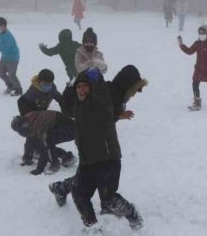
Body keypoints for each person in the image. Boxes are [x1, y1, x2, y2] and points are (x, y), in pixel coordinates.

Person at [48, 67, 146, 231]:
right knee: (79, 195)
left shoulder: (101, 100)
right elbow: (66, 107)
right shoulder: (78, 107)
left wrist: (97, 79)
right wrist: (70, 86)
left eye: (85, 86)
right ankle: (93, 227)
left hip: (107, 159)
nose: (82, 89)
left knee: (108, 199)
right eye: (79, 87)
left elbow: (102, 100)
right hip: (87, 161)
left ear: (93, 88)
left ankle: (132, 214)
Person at [17, 69, 74, 167]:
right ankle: (28, 157)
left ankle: (65, 156)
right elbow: (21, 101)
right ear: (39, 82)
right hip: (33, 118)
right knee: (32, 137)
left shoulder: (52, 89)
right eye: (45, 84)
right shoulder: (33, 91)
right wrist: (28, 115)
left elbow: (60, 99)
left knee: (43, 141)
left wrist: (66, 110)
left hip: (44, 119)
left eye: (49, 84)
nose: (47, 86)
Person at [11, 110, 76, 175]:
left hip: (71, 129)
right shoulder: (30, 121)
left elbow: (45, 146)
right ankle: (66, 156)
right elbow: (30, 140)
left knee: (47, 142)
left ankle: (55, 164)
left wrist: (39, 169)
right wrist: (27, 158)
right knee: (40, 141)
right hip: (58, 127)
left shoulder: (39, 123)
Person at [178, 25, 207, 110]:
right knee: (195, 83)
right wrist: (181, 45)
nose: (201, 35)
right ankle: (197, 103)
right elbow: (189, 51)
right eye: (199, 33)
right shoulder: (197, 43)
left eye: (203, 33)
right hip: (199, 69)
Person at [0, 17, 22, 96]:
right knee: (0, 72)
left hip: (12, 58)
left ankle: (18, 90)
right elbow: (3, 48)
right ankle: (10, 86)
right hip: (5, 57)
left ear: (4, 26)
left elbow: (3, 48)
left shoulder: (8, 36)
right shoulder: (1, 34)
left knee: (12, 75)